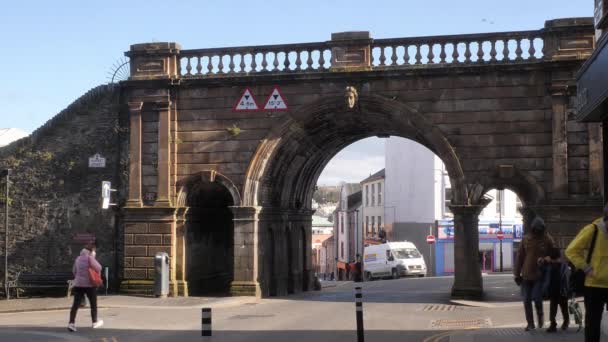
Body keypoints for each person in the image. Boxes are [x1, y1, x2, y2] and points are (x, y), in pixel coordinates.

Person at [565, 205, 608, 342]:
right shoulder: (592, 230)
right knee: (592, 324)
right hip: (593, 285)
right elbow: (571, 251)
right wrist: (586, 268)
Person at [513, 216, 554, 331]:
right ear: (533, 228)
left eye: (540, 229)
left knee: (537, 298)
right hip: (526, 275)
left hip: (539, 275)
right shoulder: (526, 239)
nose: (538, 231)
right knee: (526, 300)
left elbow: (555, 254)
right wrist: (516, 274)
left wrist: (546, 259)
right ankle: (530, 323)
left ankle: (540, 314)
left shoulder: (547, 239)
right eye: (536, 229)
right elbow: (519, 257)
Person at [68, 244, 103, 332]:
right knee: (93, 304)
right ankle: (94, 322)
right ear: (91, 251)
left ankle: (71, 323)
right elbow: (99, 268)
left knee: (75, 305)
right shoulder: (89, 258)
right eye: (94, 251)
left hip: (78, 285)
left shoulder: (78, 258)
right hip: (89, 285)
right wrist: (93, 258)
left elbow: (74, 271)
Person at [544, 247, 570, 332]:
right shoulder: (550, 265)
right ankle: (554, 324)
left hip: (561, 290)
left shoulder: (563, 265)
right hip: (554, 290)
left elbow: (566, 278)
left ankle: (564, 322)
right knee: (554, 308)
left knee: (563, 307)